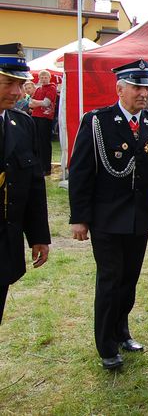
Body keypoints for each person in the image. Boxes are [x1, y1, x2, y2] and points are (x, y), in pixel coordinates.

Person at [68, 59, 148, 371]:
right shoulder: (98, 121)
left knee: (129, 279)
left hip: (138, 218)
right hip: (106, 217)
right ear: (120, 88)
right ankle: (106, 345)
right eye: (137, 87)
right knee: (110, 279)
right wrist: (79, 217)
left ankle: (122, 332)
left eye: (146, 87)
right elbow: (80, 172)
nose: (143, 93)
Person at [0, 44, 50, 325]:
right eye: (9, 83)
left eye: (20, 85)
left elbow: (33, 186)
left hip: (4, 242)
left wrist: (38, 236)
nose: (17, 93)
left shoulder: (22, 124)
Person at [29, 70, 57, 175]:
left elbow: (46, 103)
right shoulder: (38, 89)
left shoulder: (52, 88)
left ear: (49, 78)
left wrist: (36, 103)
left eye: (45, 77)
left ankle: (46, 167)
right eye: (42, 77)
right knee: (36, 142)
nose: (43, 79)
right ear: (39, 79)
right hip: (35, 116)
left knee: (44, 142)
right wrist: (38, 103)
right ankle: (39, 165)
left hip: (45, 117)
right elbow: (30, 104)